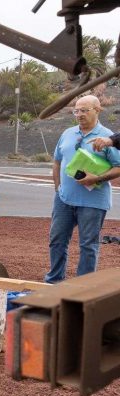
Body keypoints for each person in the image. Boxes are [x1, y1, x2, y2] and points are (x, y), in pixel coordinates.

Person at [44, 95, 120, 283]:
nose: (79, 115)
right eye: (76, 111)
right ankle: (54, 281)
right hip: (64, 199)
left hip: (93, 202)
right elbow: (57, 161)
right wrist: (57, 188)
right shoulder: (68, 133)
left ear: (98, 110)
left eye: (85, 110)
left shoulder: (107, 137)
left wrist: (98, 178)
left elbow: (118, 166)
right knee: (57, 240)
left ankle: (82, 286)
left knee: (88, 245)